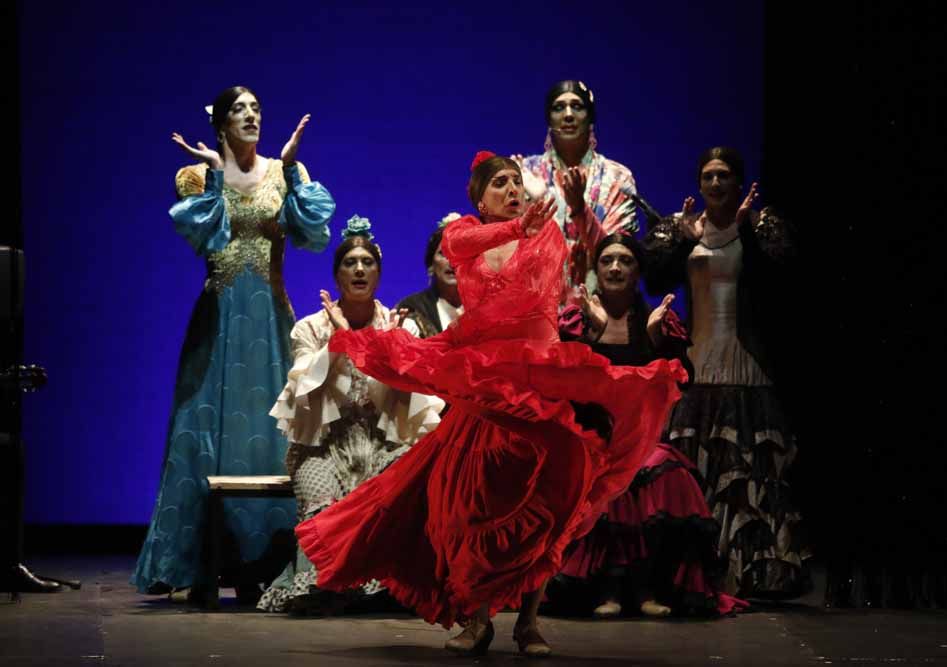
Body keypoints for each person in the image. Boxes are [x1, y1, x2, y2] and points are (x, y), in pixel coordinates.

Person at [295, 151, 687, 657]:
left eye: (516, 182)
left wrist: (558, 218)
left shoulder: (544, 232)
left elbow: (569, 269)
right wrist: (516, 225)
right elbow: (467, 242)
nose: (512, 189)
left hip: (539, 388)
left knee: (560, 495)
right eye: (499, 183)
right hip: (485, 391)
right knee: (469, 505)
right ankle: (478, 620)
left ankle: (529, 622)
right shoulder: (464, 233)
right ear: (480, 197)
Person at [132, 86, 334, 599]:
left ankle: (262, 559)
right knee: (202, 431)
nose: (251, 117)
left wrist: (289, 170)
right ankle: (197, 560)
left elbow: (313, 234)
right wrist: (218, 173)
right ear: (220, 123)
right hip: (221, 319)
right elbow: (210, 237)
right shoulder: (195, 177)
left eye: (257, 109)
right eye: (239, 110)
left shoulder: (288, 172)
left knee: (269, 434)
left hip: (269, 318)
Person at [642, 146, 808, 598]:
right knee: (694, 472)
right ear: (699, 183)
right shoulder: (684, 226)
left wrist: (750, 231)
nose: (715, 184)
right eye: (708, 176)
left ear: (738, 183)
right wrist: (681, 237)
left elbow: (786, 272)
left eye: (724, 176)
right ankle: (693, 576)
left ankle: (748, 575)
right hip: (697, 364)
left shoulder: (757, 224)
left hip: (744, 362)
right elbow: (652, 279)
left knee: (744, 476)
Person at [257, 217, 444, 614]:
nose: (359, 270)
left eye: (367, 263)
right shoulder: (309, 328)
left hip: (381, 443)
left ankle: (385, 584)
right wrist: (341, 341)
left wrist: (389, 348)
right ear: (337, 274)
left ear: (378, 273)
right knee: (321, 499)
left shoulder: (399, 325)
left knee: (399, 487)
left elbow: (409, 401)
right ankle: (322, 583)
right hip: (323, 447)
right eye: (349, 263)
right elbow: (305, 393)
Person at [552, 233, 744, 617]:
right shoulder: (579, 319)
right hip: (592, 437)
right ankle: (607, 590)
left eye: (625, 260)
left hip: (641, 438)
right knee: (606, 478)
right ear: (596, 269)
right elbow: (561, 380)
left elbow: (683, 379)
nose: (615, 268)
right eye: (606, 260)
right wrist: (591, 333)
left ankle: (647, 590)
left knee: (666, 477)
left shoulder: (656, 321)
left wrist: (658, 343)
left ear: (638, 270)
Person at [516, 80, 637, 291]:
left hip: (602, 305)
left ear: (590, 118)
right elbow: (509, 249)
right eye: (559, 107)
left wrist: (580, 210)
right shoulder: (525, 172)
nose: (568, 115)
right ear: (548, 119)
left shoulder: (617, 177)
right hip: (536, 305)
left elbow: (619, 254)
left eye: (577, 106)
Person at [397, 213, 463, 338]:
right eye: (443, 253)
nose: (452, 261)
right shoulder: (412, 308)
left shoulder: (483, 308)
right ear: (431, 265)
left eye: (459, 252)